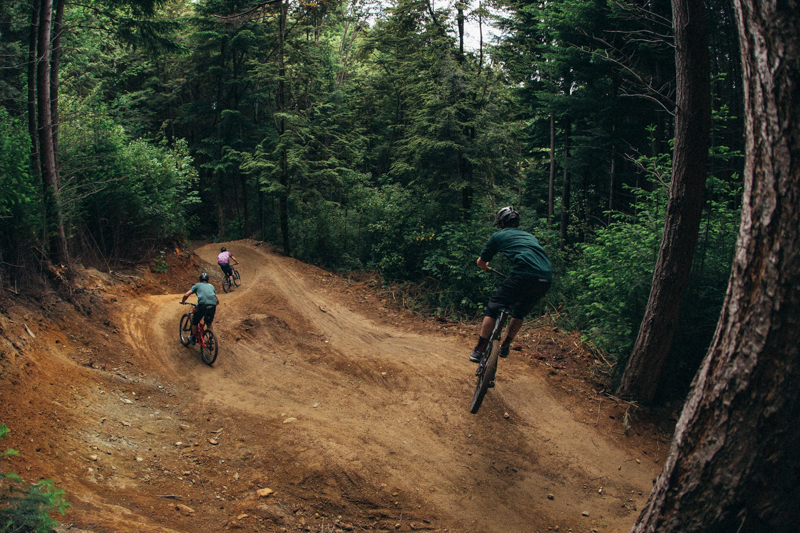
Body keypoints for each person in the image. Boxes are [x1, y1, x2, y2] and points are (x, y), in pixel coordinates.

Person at [469, 207, 553, 363]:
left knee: (494, 306)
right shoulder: (530, 237)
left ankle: (479, 349)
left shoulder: (499, 235)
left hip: (523, 274)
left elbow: (480, 262)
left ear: (501, 222)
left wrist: (485, 267)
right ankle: (506, 345)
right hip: (545, 278)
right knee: (519, 311)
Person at [180, 272, 218, 345]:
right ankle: (211, 337)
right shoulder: (211, 286)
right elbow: (217, 300)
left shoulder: (197, 285)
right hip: (213, 305)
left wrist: (183, 301)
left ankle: (193, 338)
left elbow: (186, 294)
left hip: (202, 305)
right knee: (209, 322)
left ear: (200, 279)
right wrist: (214, 304)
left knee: (195, 321)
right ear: (207, 280)